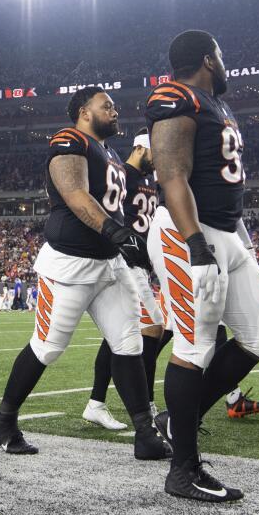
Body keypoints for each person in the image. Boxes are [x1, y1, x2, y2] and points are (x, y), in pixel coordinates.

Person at [0, 87, 170, 462]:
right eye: (108, 106)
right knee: (48, 347)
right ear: (85, 112)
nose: (115, 111)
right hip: (71, 263)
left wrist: (122, 241)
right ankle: (3, 419)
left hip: (110, 263)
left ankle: (144, 434)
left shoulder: (112, 152)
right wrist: (120, 234)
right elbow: (76, 195)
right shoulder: (69, 140)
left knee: (129, 344)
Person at [146, 30, 259, 503]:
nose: (226, 63)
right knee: (195, 346)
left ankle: (176, 419)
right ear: (208, 58)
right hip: (191, 234)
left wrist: (236, 242)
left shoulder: (215, 104)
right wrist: (196, 245)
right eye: (221, 55)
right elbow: (171, 175)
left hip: (226, 233)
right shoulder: (176, 96)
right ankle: (183, 471)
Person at [83, 129, 171, 429]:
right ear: (139, 148)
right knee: (153, 328)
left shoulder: (148, 180)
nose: (156, 160)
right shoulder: (124, 175)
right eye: (153, 153)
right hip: (126, 260)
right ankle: (144, 404)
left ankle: (97, 402)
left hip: (142, 263)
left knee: (122, 335)